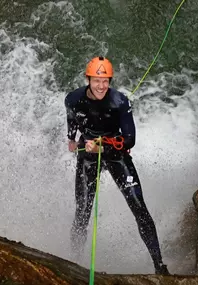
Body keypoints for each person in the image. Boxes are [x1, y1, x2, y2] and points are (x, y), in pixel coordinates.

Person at [64, 56, 170, 275]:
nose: (101, 86)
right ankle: (72, 263)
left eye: (105, 81)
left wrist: (102, 146)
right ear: (88, 79)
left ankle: (159, 265)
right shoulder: (73, 99)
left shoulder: (120, 101)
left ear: (110, 81)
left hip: (115, 153)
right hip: (88, 154)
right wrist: (72, 139)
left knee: (139, 208)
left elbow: (129, 140)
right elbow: (72, 118)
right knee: (82, 212)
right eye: (96, 81)